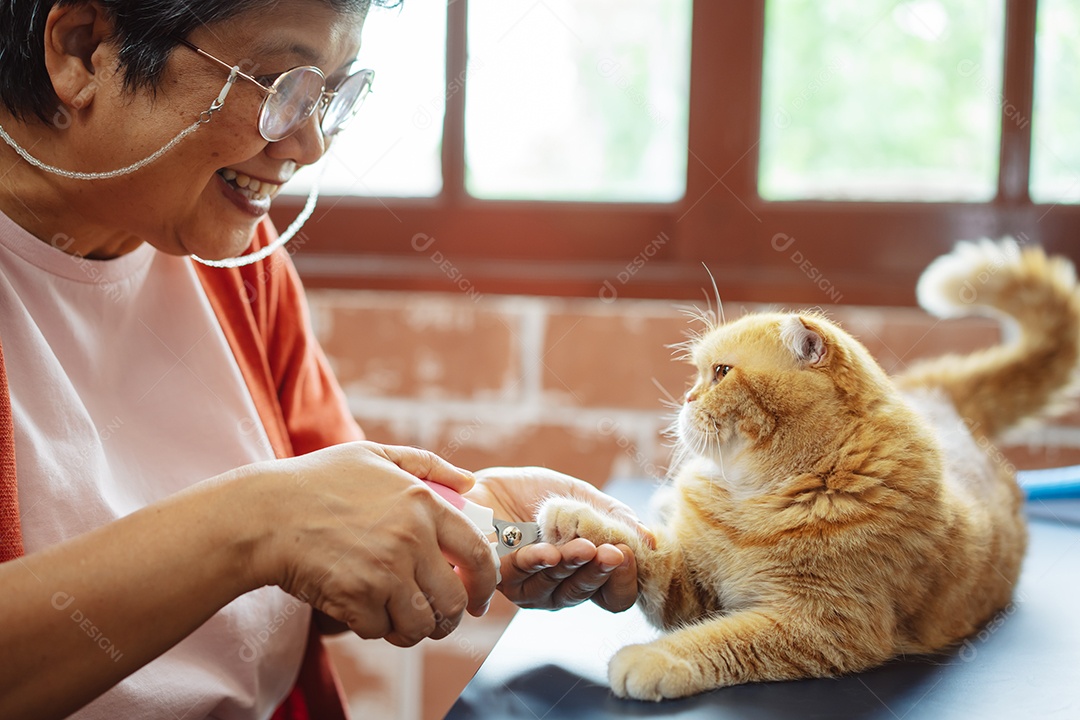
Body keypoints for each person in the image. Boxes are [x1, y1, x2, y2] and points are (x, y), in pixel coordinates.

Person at [0, 1, 652, 718]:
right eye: (279, 85)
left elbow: (326, 539)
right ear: (82, 49)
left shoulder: (238, 263)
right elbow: (287, 521)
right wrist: (253, 523)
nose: (309, 145)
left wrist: (478, 522)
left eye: (333, 93)